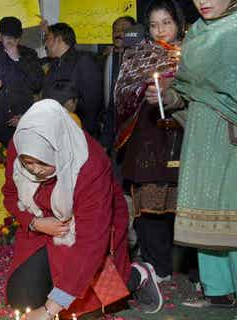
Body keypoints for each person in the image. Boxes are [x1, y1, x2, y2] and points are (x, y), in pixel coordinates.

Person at [2, 100, 164, 318]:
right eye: (28, 163)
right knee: (23, 300)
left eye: (43, 163)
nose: (35, 171)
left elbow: (91, 244)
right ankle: (56, 279)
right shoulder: (22, 144)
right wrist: (33, 222)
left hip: (87, 230)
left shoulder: (90, 165)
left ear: (59, 150)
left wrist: (50, 309)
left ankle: (136, 275)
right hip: (43, 225)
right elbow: (11, 195)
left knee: (82, 309)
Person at [145, 0, 237, 308]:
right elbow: (186, 90)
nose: (204, 1)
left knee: (232, 209)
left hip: (230, 135)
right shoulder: (196, 32)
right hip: (198, 134)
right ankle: (218, 292)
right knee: (204, 208)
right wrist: (166, 95)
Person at [114, 0, 185, 285]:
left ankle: (190, 268)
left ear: (178, 23)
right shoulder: (138, 55)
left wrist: (172, 92)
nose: (160, 30)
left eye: (166, 23)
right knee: (149, 206)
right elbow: (122, 94)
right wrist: (140, 90)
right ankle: (158, 264)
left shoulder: (192, 54)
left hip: (180, 133)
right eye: (154, 25)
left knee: (180, 205)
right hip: (146, 135)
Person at [0, 17, 44, 145]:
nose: (12, 41)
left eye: (16, 38)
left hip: (23, 124)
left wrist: (19, 59)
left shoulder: (29, 55)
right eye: (8, 37)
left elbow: (37, 85)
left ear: (20, 38)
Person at [43, 22, 103, 139]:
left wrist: (83, 134)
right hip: (57, 131)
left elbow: (92, 103)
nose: (46, 44)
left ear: (58, 39)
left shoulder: (83, 61)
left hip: (78, 132)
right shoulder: (54, 64)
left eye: (48, 39)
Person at [100, 16, 137, 151]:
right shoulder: (105, 59)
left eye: (123, 29)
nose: (118, 33)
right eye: (115, 30)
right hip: (111, 131)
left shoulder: (142, 60)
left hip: (134, 131)